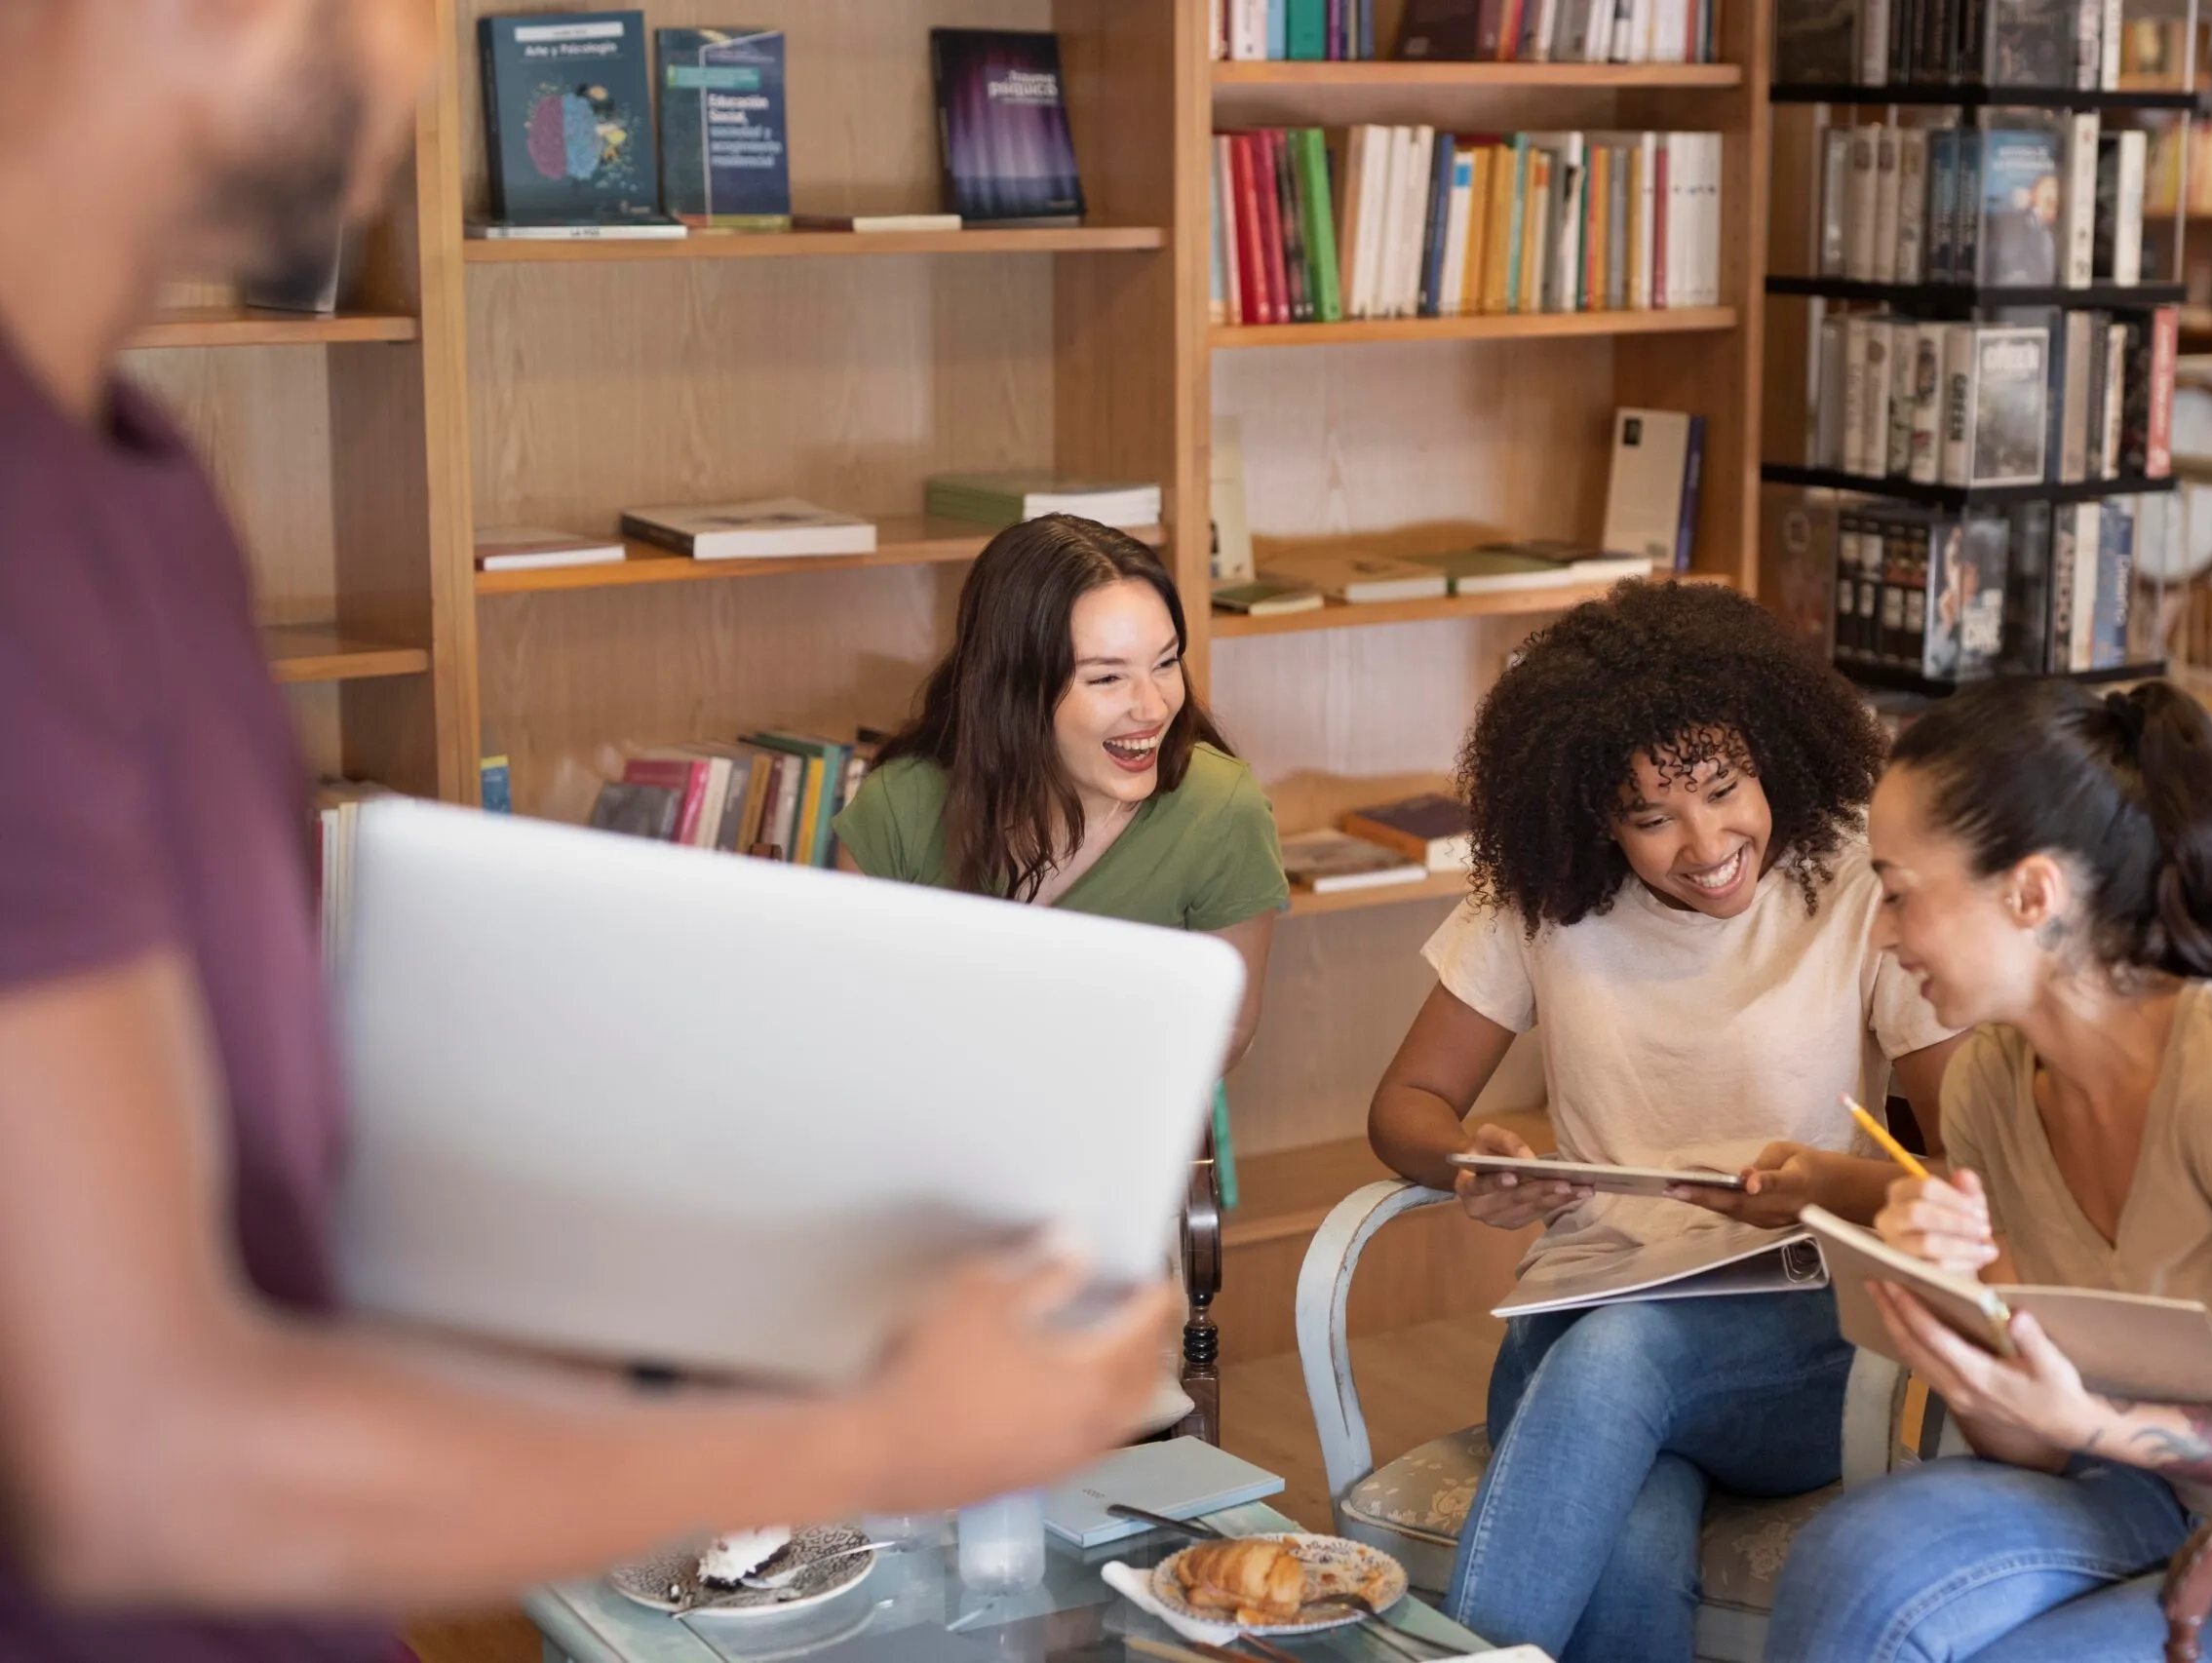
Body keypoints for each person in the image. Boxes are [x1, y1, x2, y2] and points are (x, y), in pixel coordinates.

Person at [0, 7, 1174, 1660]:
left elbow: (246, 1198)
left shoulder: (137, 484)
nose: (415, 65)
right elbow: (130, 1456)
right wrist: (872, 1437)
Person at [1769, 677, 2212, 1662]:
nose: (1885, 935)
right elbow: (2025, 1441)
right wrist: (1952, 1304)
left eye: (1898, 893)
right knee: (1848, 1565)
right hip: (2162, 1490)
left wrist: (2088, 1417)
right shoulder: (1991, 1075)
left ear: (2030, 892)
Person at [1366, 583, 1960, 1663]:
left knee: (1620, 1356)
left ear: (1769, 748)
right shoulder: (1544, 896)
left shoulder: (1857, 889)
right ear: (1594, 814)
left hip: (1797, 1343)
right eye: (1651, 816)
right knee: (1631, 1539)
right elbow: (1404, 1106)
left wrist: (1830, 1181)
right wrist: (1472, 1161)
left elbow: (1979, 1150)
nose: (1705, 841)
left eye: (1724, 788)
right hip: (1575, 1320)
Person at [834, 514, 1288, 1074]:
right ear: (1014, 691)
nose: (1153, 707)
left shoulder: (1221, 811)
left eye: (1166, 663)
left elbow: (1225, 1035)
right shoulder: (898, 810)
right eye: (1106, 678)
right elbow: (852, 1027)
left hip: (1119, 1135)